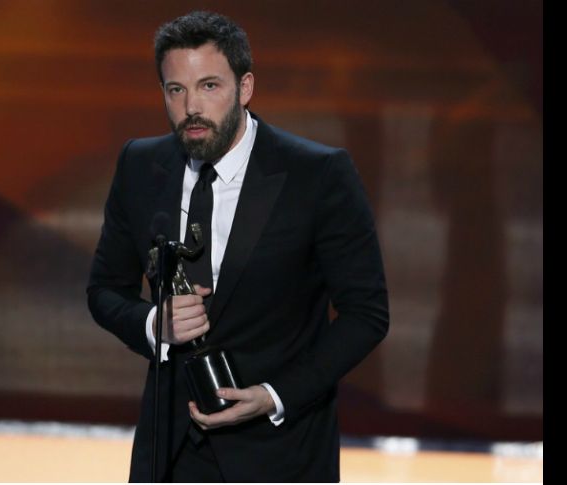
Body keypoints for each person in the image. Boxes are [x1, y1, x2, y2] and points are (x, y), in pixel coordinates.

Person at [87, 10, 389, 482]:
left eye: (209, 86)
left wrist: (274, 395)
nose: (191, 107)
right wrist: (152, 324)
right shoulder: (140, 165)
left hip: (279, 452)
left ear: (245, 87)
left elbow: (366, 313)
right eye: (175, 90)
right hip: (168, 451)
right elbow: (105, 289)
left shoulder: (317, 175)